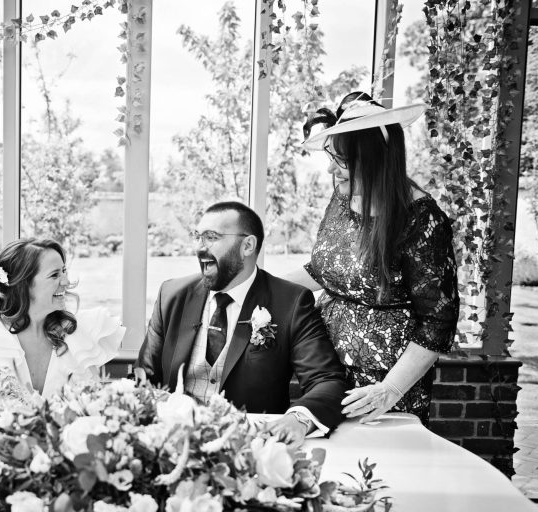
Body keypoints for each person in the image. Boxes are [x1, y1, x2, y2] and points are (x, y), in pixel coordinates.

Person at [290, 91, 460, 425]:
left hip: (382, 390)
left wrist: (389, 390)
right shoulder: (344, 196)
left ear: (374, 159)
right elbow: (325, 270)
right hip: (326, 374)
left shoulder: (421, 219)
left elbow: (437, 321)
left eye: (341, 160)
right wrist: (257, 284)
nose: (331, 169)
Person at [136, 201, 349, 442]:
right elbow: (145, 378)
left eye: (211, 237)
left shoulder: (290, 302)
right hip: (174, 442)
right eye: (197, 237)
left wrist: (297, 420)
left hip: (251, 446)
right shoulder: (171, 295)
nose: (200, 247)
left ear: (247, 245)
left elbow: (327, 381)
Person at [0, 238, 125, 397]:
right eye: (54, 275)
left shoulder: (78, 335)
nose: (66, 281)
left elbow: (94, 406)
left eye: (64, 271)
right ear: (23, 284)